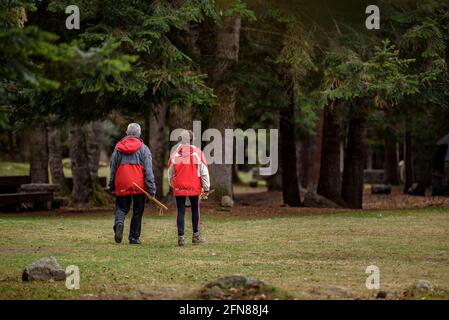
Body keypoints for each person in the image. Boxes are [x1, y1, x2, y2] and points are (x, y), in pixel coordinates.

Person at [109, 123, 156, 245]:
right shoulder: (144, 149)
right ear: (139, 134)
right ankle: (134, 237)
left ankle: (119, 223)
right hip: (139, 185)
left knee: (121, 207)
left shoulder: (118, 147)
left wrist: (111, 184)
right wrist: (152, 189)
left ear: (127, 132)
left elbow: (113, 167)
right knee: (138, 210)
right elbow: (148, 171)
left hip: (122, 182)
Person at [168, 129, 210, 246]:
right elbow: (204, 172)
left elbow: (170, 174)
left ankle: (181, 238)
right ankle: (196, 236)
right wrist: (206, 188)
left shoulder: (174, 155)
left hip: (179, 186)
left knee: (180, 211)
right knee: (195, 209)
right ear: (192, 140)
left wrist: (173, 185)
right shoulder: (198, 153)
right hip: (194, 186)